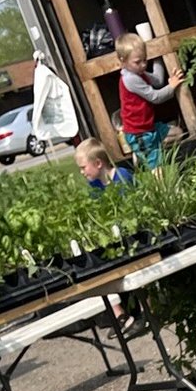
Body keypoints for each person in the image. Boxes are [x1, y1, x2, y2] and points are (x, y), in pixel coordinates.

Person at [74, 138, 135, 334]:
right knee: (97, 270)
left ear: (98, 163)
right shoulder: (95, 187)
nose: (82, 173)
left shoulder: (122, 177)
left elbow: (130, 210)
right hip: (112, 238)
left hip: (130, 234)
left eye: (84, 168)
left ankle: (142, 310)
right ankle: (119, 314)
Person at [115, 32, 185, 172]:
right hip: (139, 133)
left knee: (178, 133)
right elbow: (155, 97)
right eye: (137, 62)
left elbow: (158, 80)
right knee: (157, 169)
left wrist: (158, 56)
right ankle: (144, 156)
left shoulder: (139, 73)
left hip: (149, 127)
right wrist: (171, 86)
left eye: (145, 60)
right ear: (123, 61)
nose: (143, 65)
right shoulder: (130, 79)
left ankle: (142, 154)